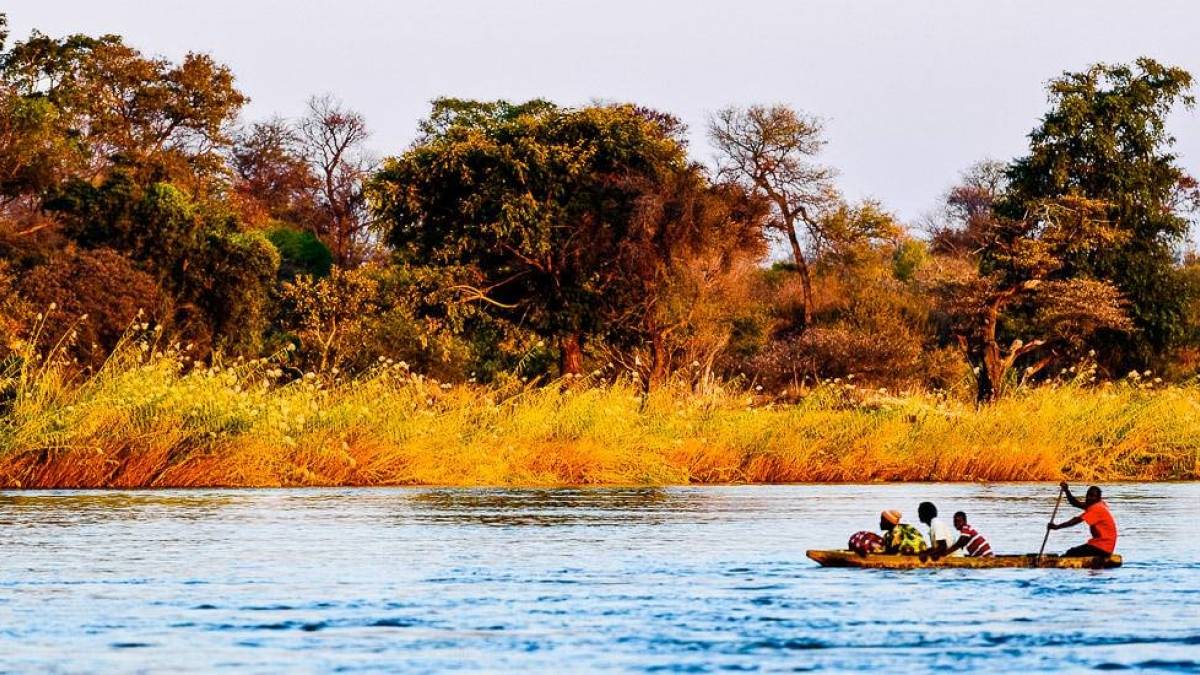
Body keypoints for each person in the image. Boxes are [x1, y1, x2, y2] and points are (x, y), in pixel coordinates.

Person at [1047, 482, 1118, 557]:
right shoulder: (1097, 504)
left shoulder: (1097, 509)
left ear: (1098, 498)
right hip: (1101, 545)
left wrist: (1056, 527)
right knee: (1072, 552)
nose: (1088, 498)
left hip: (1102, 547)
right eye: (1088, 495)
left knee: (1071, 552)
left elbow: (1075, 521)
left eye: (1092, 496)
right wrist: (1066, 490)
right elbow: (1075, 503)